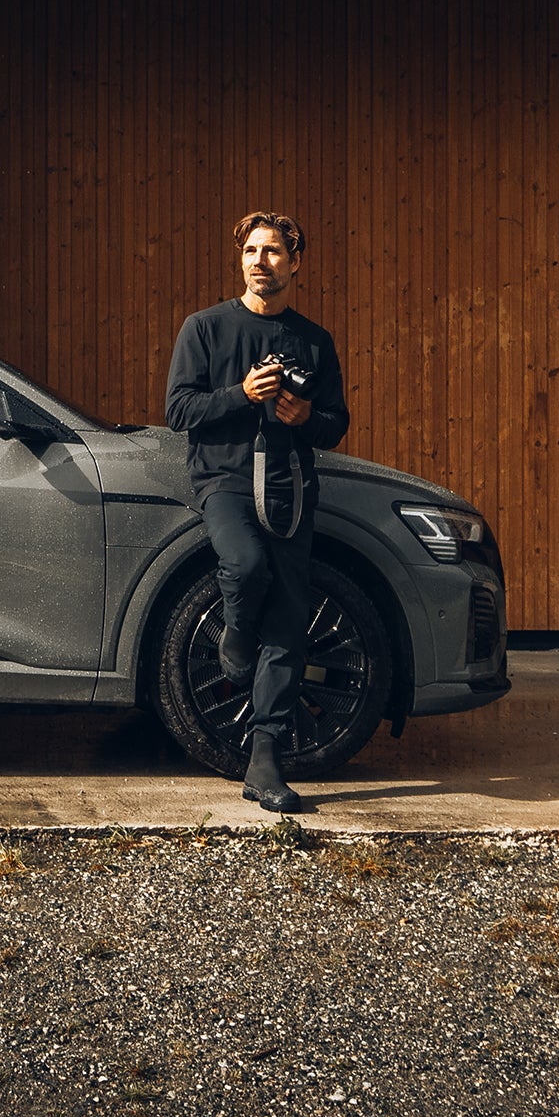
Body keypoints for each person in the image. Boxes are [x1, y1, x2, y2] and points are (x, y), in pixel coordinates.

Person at [164, 210, 349, 813]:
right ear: (239, 258)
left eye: (273, 252)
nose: (259, 261)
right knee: (244, 568)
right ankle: (235, 637)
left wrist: (305, 419)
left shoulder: (314, 341)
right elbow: (180, 411)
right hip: (225, 481)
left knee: (291, 620)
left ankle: (264, 759)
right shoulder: (205, 328)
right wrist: (241, 395)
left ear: (294, 263)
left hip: (292, 489)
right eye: (251, 251)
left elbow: (335, 424)